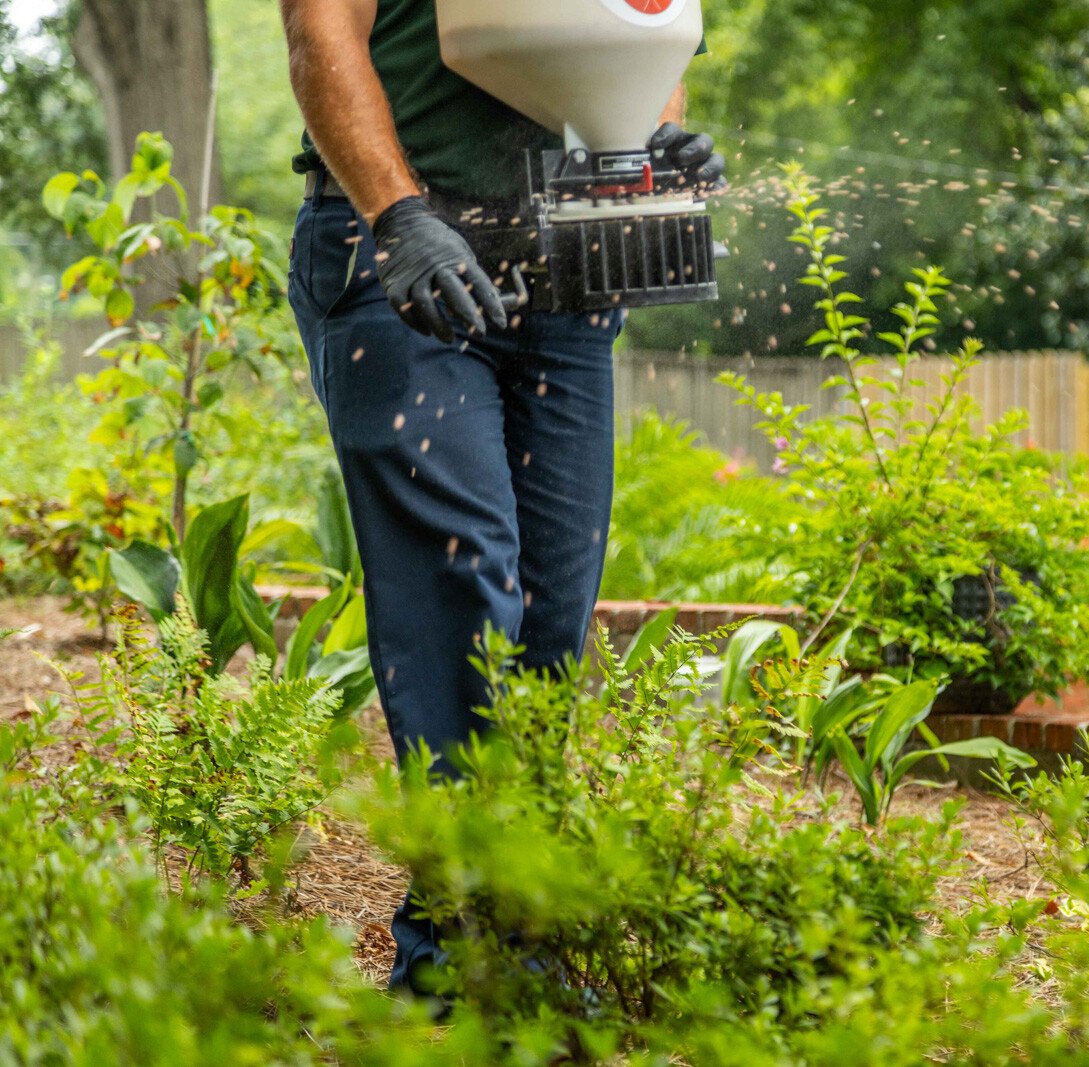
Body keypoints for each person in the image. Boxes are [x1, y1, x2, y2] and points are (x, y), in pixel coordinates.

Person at [277, 0, 724, 995]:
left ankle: (516, 933)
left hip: (565, 270)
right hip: (397, 252)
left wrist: (646, 138)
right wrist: (396, 215)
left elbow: (638, 39)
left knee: (551, 622)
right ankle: (456, 962)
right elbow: (322, 39)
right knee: (461, 591)